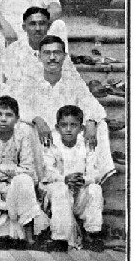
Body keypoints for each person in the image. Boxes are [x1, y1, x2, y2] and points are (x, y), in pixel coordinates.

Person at [14, 35, 114, 186]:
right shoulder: (30, 79)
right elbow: (17, 105)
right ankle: (38, 181)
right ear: (39, 56)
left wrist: (91, 121)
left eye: (57, 53)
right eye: (47, 53)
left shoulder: (71, 79)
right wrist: (36, 119)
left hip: (66, 131)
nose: (52, 58)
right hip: (41, 133)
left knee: (101, 126)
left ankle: (93, 179)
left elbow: (91, 104)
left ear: (65, 56)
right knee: (23, 127)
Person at [0, 96, 46, 250]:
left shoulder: (22, 137)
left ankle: (28, 236)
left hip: (15, 182)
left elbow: (28, 169)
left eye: (9, 115)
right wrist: (6, 172)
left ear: (17, 118)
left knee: (25, 180)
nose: (3, 119)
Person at [40, 105, 107, 252]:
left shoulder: (86, 145)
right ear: (57, 127)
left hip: (79, 194)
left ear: (81, 128)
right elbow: (48, 172)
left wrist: (84, 180)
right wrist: (64, 179)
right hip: (57, 198)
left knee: (95, 189)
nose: (68, 129)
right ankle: (60, 239)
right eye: (64, 125)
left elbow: (95, 173)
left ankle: (92, 234)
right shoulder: (52, 144)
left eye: (73, 125)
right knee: (60, 188)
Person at [0, 7, 80, 91]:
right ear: (24, 27)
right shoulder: (14, 50)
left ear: (48, 26)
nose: (38, 28)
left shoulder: (57, 50)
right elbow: (8, 84)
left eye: (42, 24)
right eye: (32, 24)